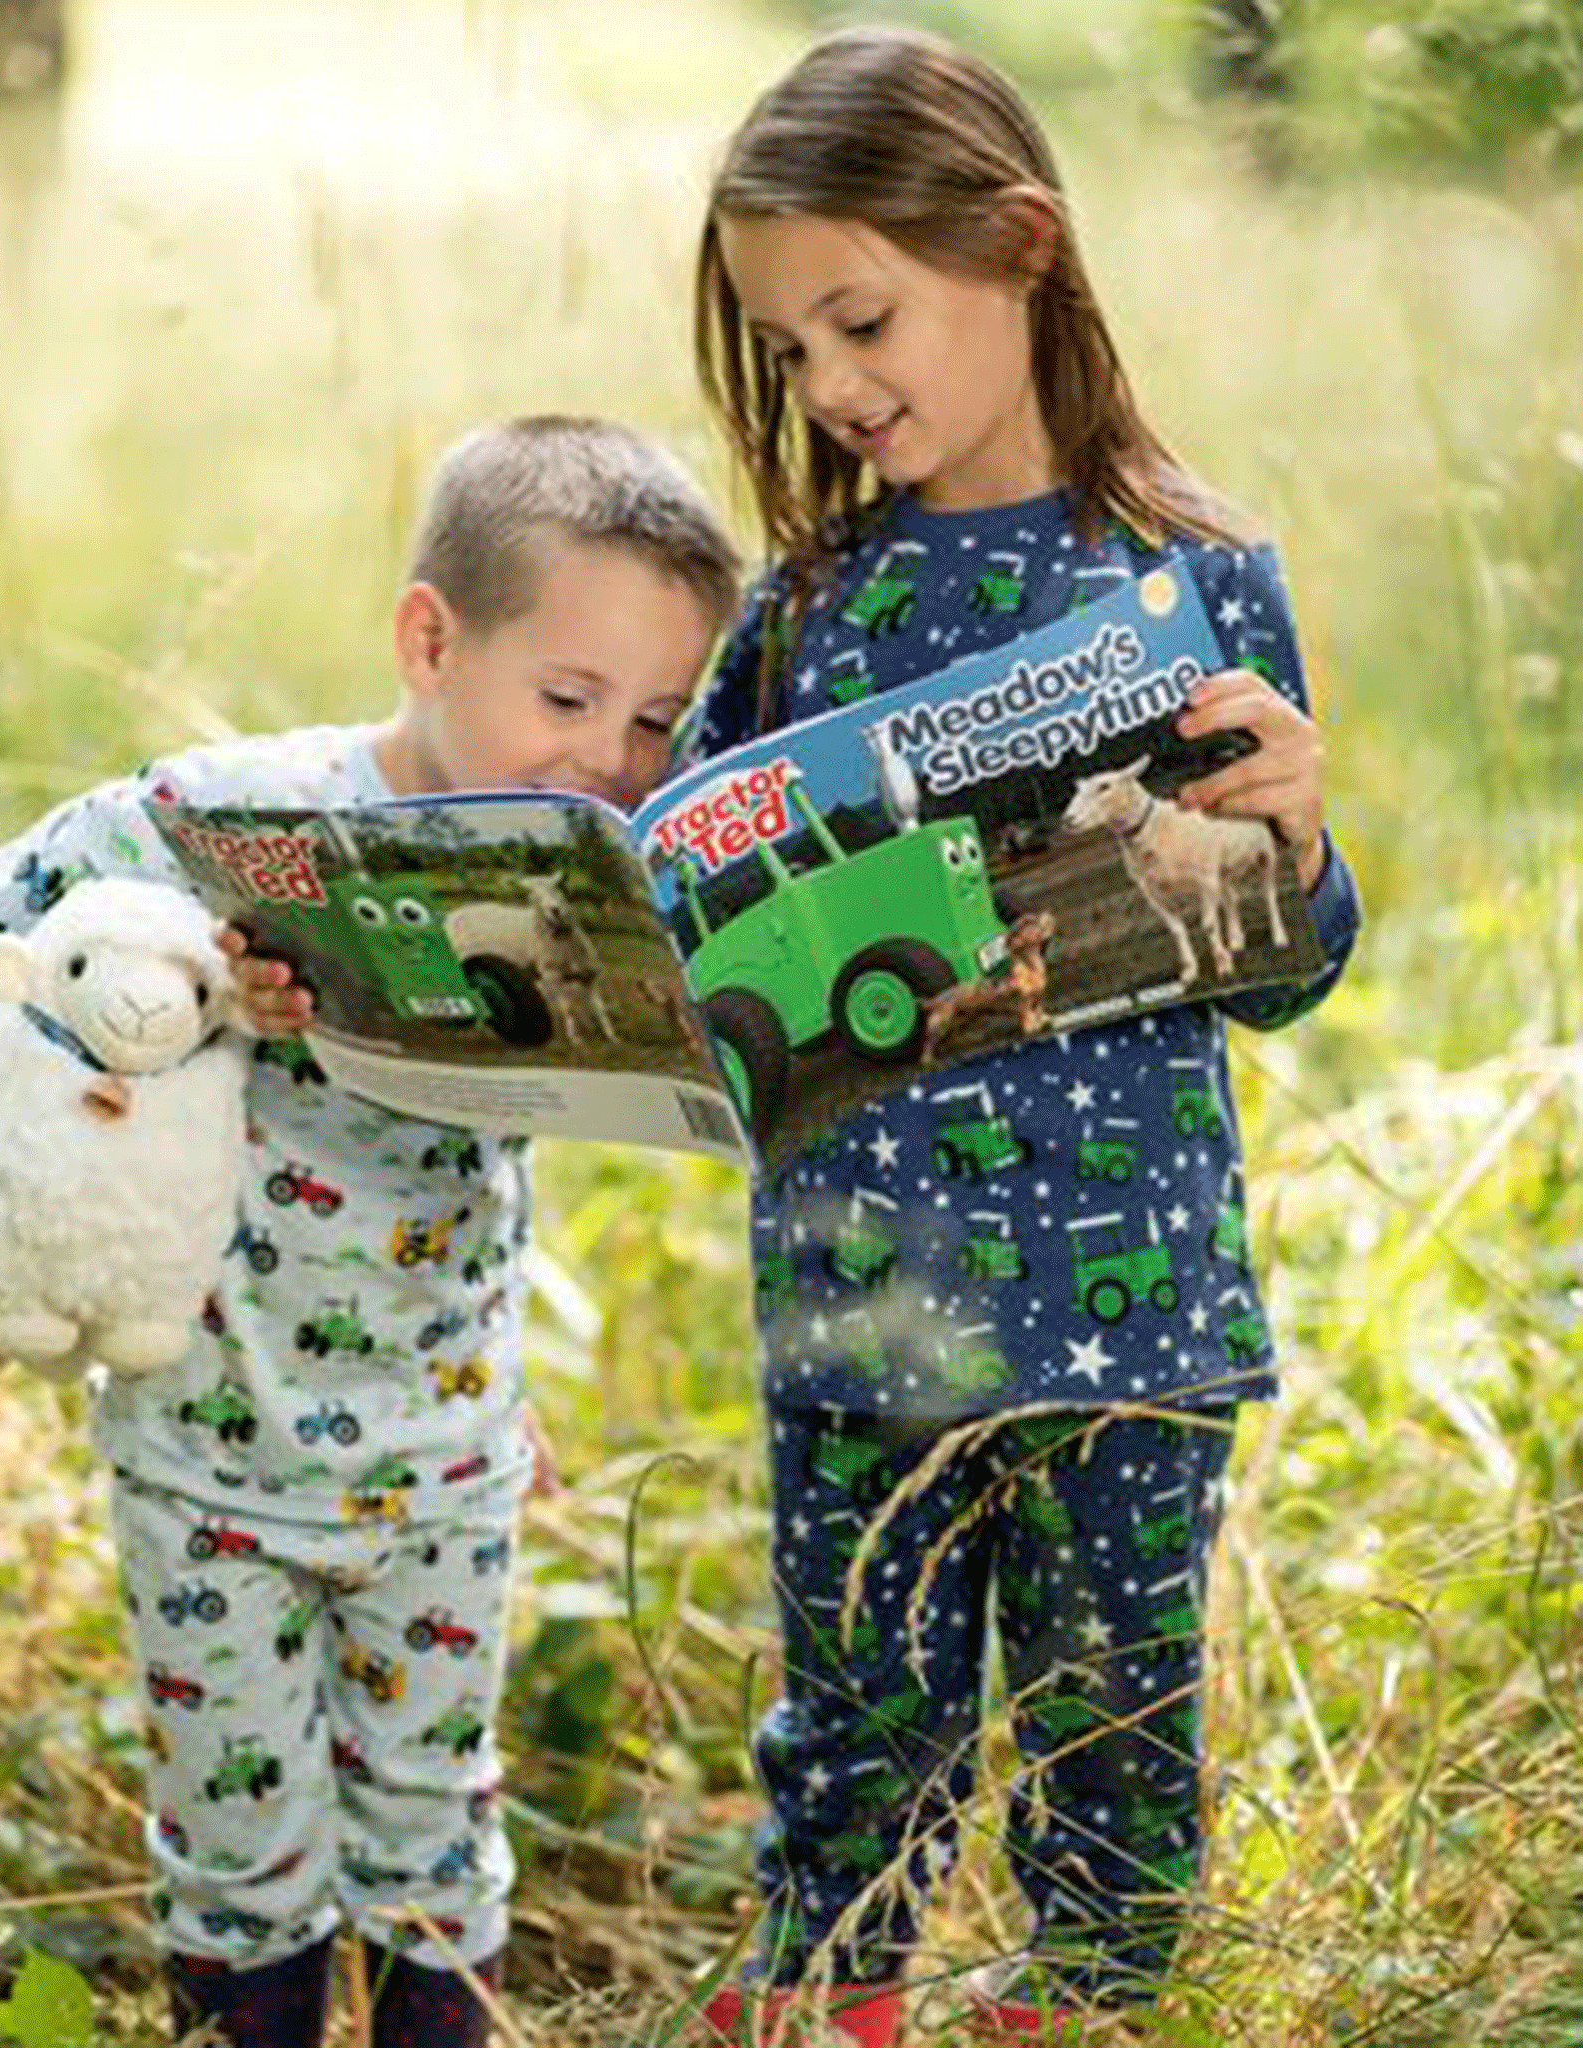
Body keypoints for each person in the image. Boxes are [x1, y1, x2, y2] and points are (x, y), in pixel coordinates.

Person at [0, 416, 740, 2048]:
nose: (607, 762)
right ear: (431, 639)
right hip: (208, 1461)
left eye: (651, 722)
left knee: (435, 1839)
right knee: (237, 1856)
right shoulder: (234, 816)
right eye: (568, 700)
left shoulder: (577, 874)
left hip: (445, 1470)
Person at [678, 29, 1361, 2047]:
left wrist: (1297, 849)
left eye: (859, 318)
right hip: (861, 1299)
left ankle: (1091, 2013)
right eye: (786, 347)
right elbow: (689, 902)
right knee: (859, 1725)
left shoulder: (1193, 574)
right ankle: (829, 2004)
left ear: (1023, 245)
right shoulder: (805, 609)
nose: (828, 386)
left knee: (1116, 1731)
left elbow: (1280, 966)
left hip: (1122, 1311)